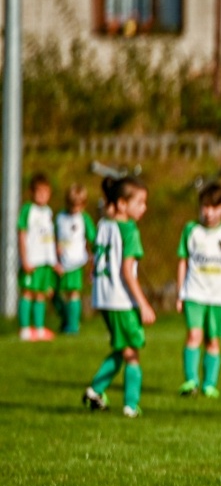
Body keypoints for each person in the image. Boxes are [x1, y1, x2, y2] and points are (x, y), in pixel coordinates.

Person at [83, 177, 155, 418]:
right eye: (140, 202)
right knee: (132, 352)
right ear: (122, 204)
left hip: (102, 298)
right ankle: (130, 405)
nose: (144, 208)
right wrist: (143, 304)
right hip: (122, 300)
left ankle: (96, 390)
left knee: (121, 348)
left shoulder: (104, 224)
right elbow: (127, 271)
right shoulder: (130, 230)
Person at [176, 183, 221, 398]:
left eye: (214, 207)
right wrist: (180, 293)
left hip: (218, 297)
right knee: (193, 335)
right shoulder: (191, 230)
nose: (208, 212)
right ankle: (190, 381)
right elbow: (182, 262)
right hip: (194, 293)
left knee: (213, 340)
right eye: (205, 207)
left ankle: (209, 384)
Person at [17, 173, 58, 341]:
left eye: (45, 192)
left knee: (41, 294)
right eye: (39, 192)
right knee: (28, 293)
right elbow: (22, 233)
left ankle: (39, 329)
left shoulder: (48, 212)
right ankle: (25, 329)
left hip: (45, 262)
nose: (42, 196)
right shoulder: (28, 210)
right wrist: (24, 258)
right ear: (32, 193)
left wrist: (54, 260)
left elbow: (49, 238)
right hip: (32, 260)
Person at [53, 183, 95, 335]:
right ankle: (66, 319)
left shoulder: (84, 218)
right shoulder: (60, 217)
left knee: (73, 292)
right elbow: (55, 236)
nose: (75, 208)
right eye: (72, 205)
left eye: (78, 205)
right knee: (54, 293)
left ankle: (73, 326)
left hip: (76, 261)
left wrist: (92, 258)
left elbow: (92, 237)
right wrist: (55, 251)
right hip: (60, 261)